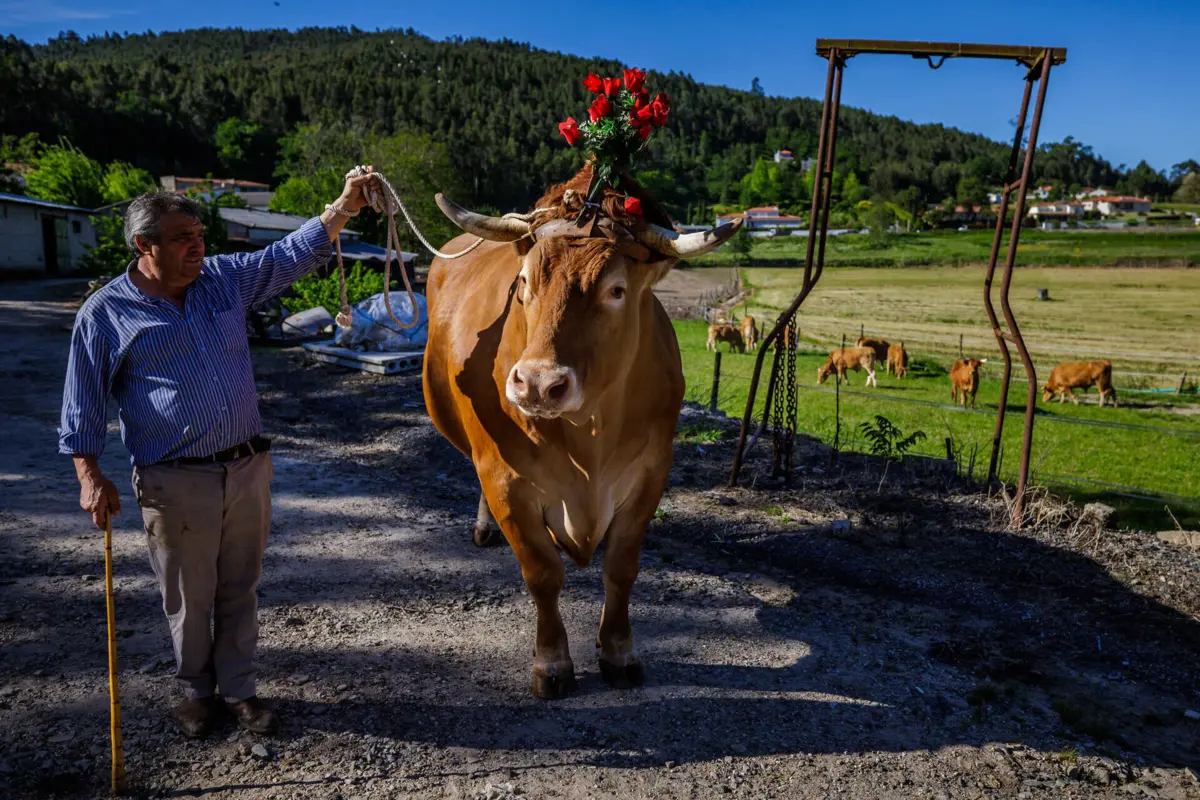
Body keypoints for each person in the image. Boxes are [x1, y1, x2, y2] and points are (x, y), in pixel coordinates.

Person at [58, 167, 381, 738]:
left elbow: (288, 254)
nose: (198, 248)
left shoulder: (221, 279)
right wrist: (89, 474)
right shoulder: (105, 313)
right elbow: (82, 400)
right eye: (184, 239)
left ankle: (239, 689)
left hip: (248, 465)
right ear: (145, 245)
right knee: (188, 593)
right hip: (173, 478)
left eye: (200, 236)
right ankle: (194, 690)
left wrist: (343, 207)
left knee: (240, 584)